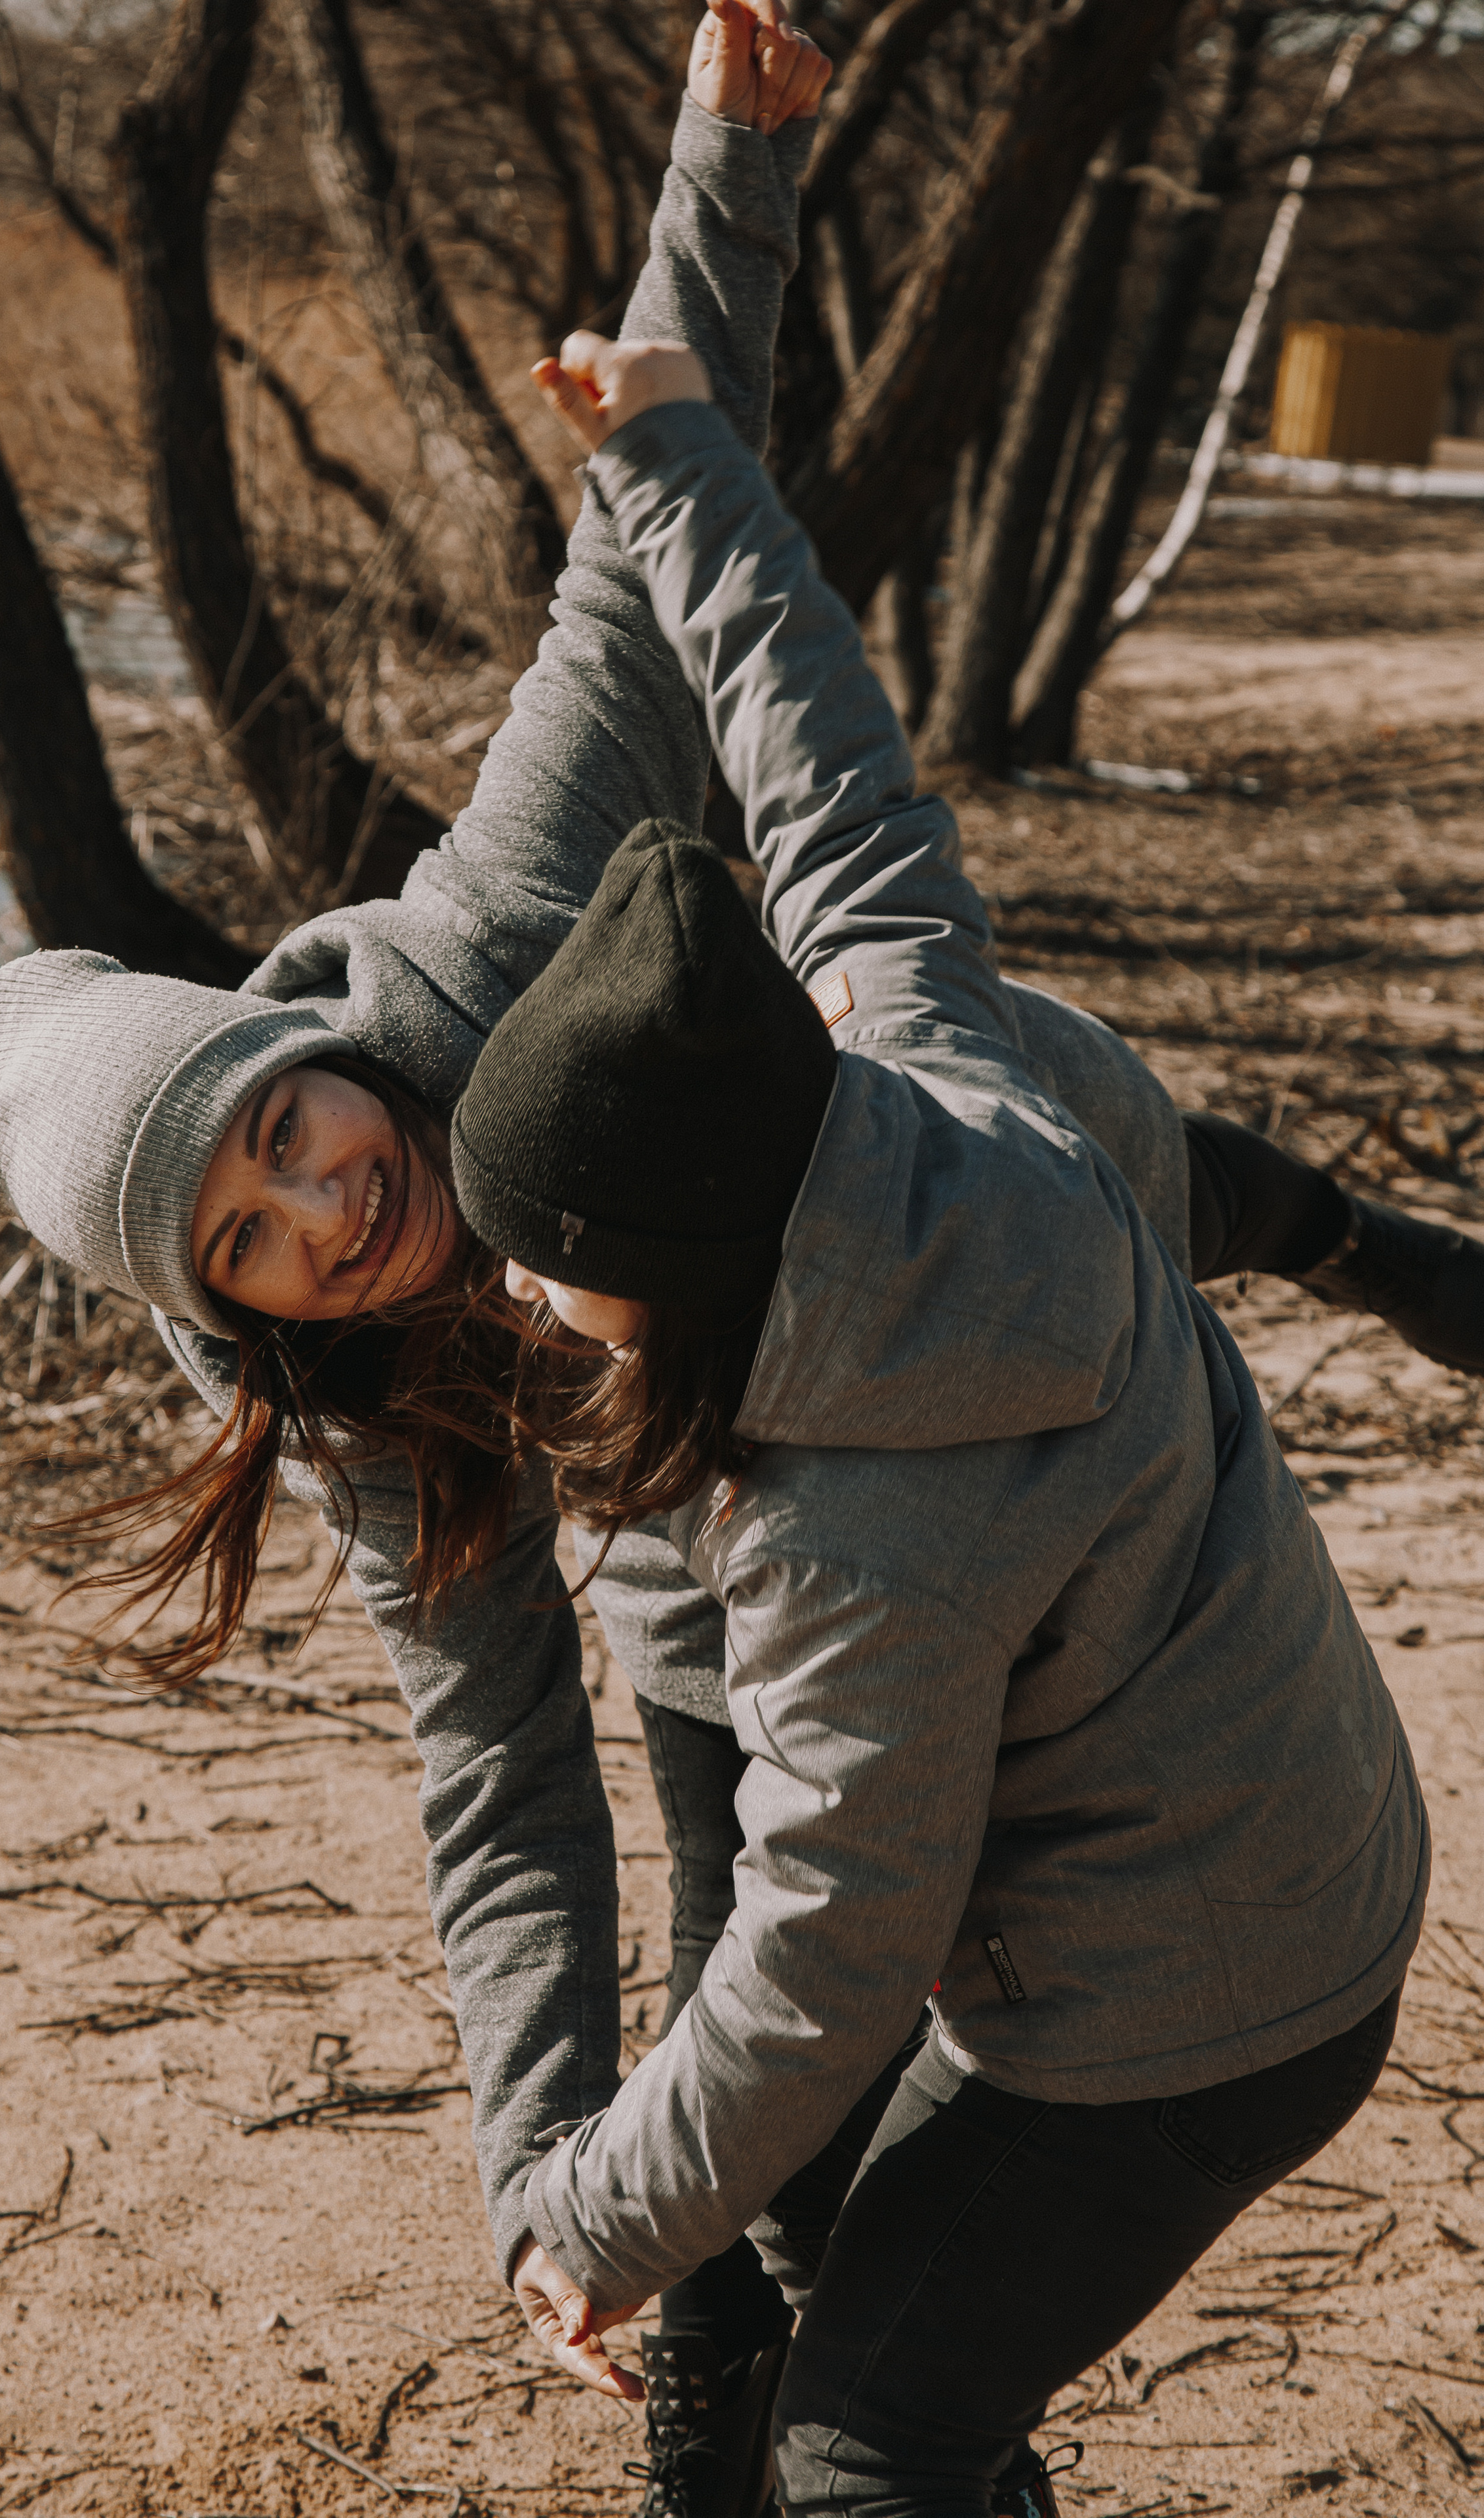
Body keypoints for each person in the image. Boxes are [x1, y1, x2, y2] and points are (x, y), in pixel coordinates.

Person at [0, 14, 1464, 2513]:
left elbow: (656, 605)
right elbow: (496, 1778)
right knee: (757, 2211)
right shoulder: (352, 1397)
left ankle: (1366, 1238)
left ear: (307, 1053)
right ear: (230, 1313)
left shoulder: (502, 928)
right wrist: (550, 2181)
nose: (327, 1214)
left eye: (288, 1134)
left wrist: (726, 162)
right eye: (249, 1246)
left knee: (1121, 1180)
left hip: (934, 1287)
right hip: (735, 1613)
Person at [443, 337, 1432, 2517]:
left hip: (1197, 2014)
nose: (512, 1292)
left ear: (683, 1263)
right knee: (869, 2313)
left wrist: (590, 2223)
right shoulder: (920, 1064)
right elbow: (826, 762)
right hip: (1280, 1839)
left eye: (544, 1257)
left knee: (863, 2440)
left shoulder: (858, 1522)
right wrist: (675, 445)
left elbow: (824, 1956)